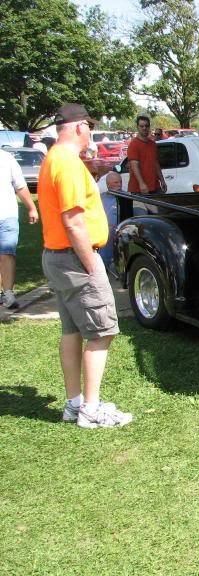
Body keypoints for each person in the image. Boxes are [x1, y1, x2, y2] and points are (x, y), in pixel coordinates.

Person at [37, 103, 133, 429]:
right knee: (102, 332)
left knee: (73, 330)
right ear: (79, 127)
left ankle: (74, 403)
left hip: (58, 257)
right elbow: (73, 219)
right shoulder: (66, 162)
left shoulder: (54, 158)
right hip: (75, 258)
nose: (91, 132)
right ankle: (91, 410)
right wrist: (92, 263)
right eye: (89, 126)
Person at [0, 148, 39, 308]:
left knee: (7, 253)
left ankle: (8, 292)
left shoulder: (7, 159)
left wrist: (31, 207)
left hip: (7, 214)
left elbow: (20, 186)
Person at [127, 115, 166, 195]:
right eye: (141, 126)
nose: (144, 128)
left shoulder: (152, 144)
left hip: (155, 186)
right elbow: (134, 166)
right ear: (137, 127)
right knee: (142, 208)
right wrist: (141, 184)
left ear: (149, 127)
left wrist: (162, 180)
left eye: (146, 126)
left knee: (160, 207)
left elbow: (156, 163)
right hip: (139, 188)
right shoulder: (134, 144)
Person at [98, 171, 122, 270]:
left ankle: (104, 265)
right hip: (102, 228)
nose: (119, 184)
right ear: (108, 184)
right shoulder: (101, 197)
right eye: (116, 182)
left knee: (110, 232)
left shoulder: (127, 197)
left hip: (119, 228)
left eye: (120, 182)